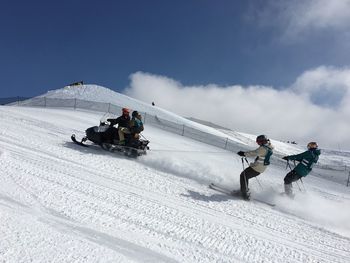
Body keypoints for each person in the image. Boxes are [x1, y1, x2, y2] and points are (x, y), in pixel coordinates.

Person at [237, 135, 274, 200]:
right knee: (244, 176)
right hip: (260, 168)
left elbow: (254, 153)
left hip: (257, 168)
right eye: (257, 142)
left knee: (243, 176)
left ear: (262, 141)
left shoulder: (263, 148)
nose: (258, 144)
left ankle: (244, 193)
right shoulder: (269, 147)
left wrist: (244, 153)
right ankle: (244, 190)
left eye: (258, 142)